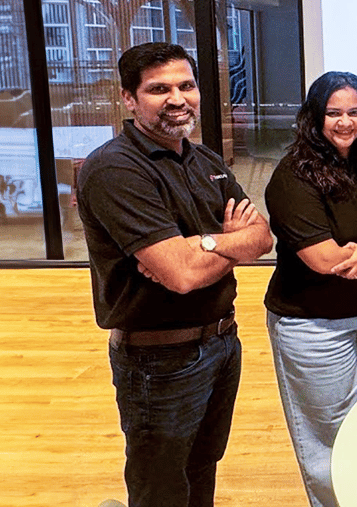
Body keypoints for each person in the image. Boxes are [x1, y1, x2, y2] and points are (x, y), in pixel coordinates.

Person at [77, 42, 273, 507]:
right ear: (128, 98)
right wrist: (224, 242)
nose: (177, 99)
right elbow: (182, 275)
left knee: (201, 469)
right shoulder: (115, 169)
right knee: (161, 488)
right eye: (158, 89)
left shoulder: (205, 161)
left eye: (186, 85)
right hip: (158, 360)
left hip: (222, 343)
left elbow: (262, 237)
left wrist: (202, 245)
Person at [263, 72, 357, 507]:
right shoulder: (292, 178)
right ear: (314, 117)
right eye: (334, 113)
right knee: (328, 444)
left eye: (355, 112)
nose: (346, 122)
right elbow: (328, 261)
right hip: (313, 327)